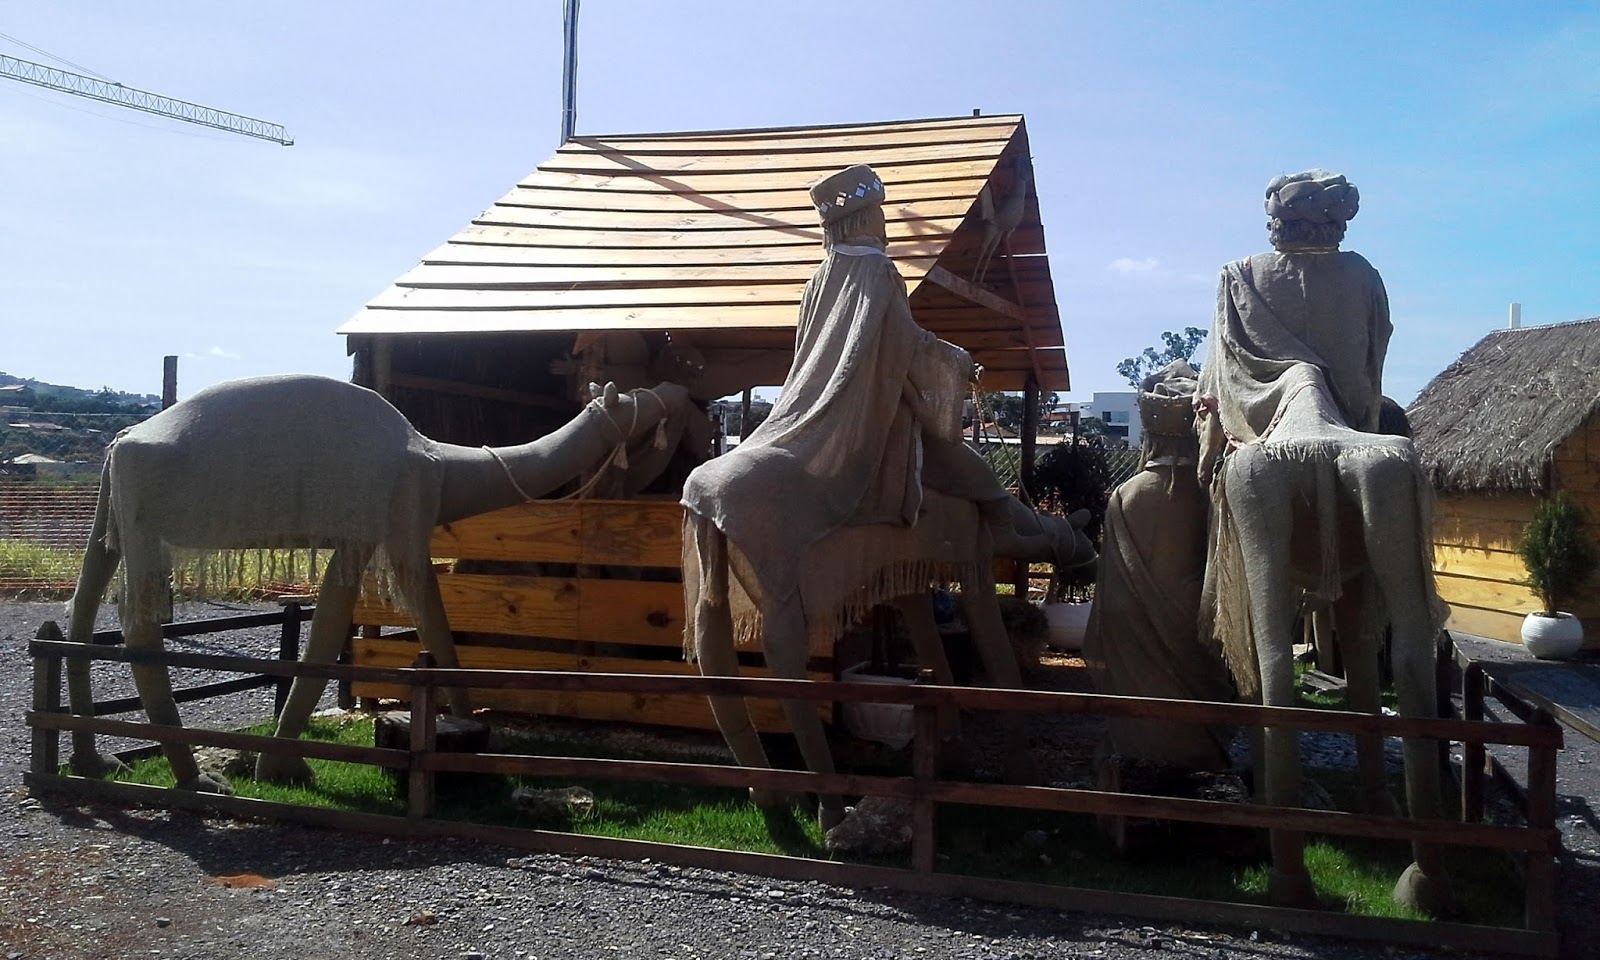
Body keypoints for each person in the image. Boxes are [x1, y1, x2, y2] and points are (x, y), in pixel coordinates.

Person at [681, 163, 1016, 634]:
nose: (884, 224)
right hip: (865, 413)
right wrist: (959, 363)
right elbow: (906, 343)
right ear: (861, 220)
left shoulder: (819, 277)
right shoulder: (879, 269)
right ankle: (1002, 518)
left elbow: (809, 352)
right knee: (946, 452)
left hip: (811, 404)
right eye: (879, 215)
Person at [1196, 169, 1390, 481]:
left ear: (1276, 223)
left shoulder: (1239, 275)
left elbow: (1219, 378)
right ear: (1339, 223)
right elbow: (1376, 352)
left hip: (1260, 429)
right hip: (1353, 419)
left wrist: (1206, 457)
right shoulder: (1364, 273)